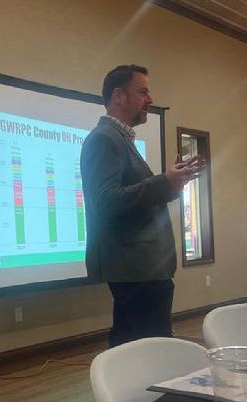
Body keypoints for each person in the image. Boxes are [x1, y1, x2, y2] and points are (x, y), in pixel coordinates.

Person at [80, 64, 205, 349]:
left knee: (132, 345)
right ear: (119, 96)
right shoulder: (104, 139)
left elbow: (133, 198)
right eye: (143, 91)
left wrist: (171, 185)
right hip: (135, 268)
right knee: (147, 351)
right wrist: (163, 182)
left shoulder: (121, 139)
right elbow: (106, 201)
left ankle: (126, 392)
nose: (150, 99)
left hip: (143, 269)